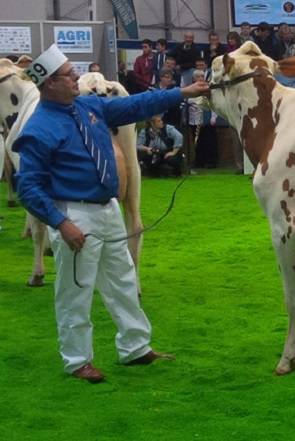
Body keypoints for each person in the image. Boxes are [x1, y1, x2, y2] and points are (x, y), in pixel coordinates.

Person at [15, 44, 210, 383]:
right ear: (49, 84)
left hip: (107, 209)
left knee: (122, 279)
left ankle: (135, 347)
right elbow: (28, 188)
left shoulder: (88, 106)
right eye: (67, 75)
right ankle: (77, 360)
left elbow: (136, 104)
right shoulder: (38, 129)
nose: (77, 77)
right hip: (75, 215)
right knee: (74, 290)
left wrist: (182, 92)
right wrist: (61, 223)